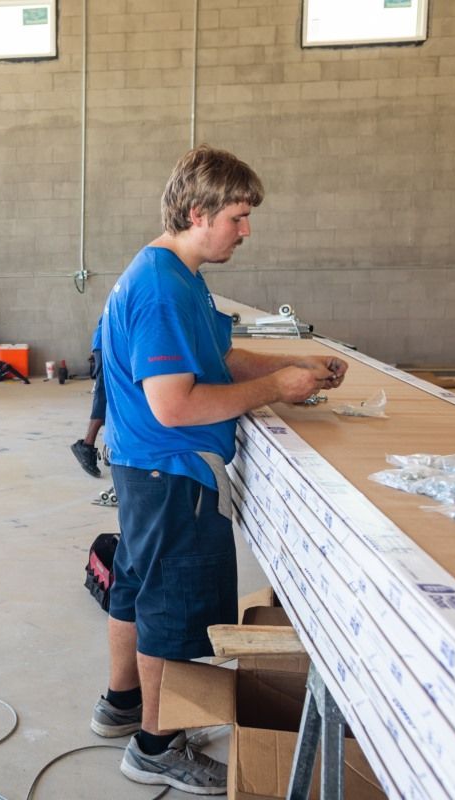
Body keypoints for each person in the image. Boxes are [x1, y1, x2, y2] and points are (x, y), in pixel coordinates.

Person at [90, 145, 347, 794]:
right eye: (238, 216)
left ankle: (123, 705)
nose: (246, 230)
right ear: (198, 213)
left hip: (144, 465)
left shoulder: (177, 274)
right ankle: (154, 744)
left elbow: (218, 361)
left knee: (134, 586)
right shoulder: (161, 290)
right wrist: (276, 390)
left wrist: (295, 368)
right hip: (171, 469)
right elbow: (175, 404)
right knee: (167, 610)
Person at [71, 316, 105, 478]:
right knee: (104, 392)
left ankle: (112, 447)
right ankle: (86, 445)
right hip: (108, 343)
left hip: (112, 342)